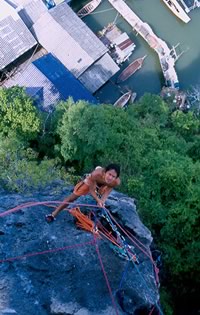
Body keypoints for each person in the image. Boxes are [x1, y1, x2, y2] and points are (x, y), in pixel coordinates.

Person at [45, 164, 120, 223]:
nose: (110, 178)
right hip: (92, 181)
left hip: (103, 185)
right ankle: (53, 214)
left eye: (113, 176)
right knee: (72, 197)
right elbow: (91, 189)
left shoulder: (116, 182)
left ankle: (91, 216)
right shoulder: (96, 174)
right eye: (109, 174)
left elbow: (108, 190)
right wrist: (97, 199)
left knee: (99, 204)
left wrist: (102, 200)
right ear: (105, 172)